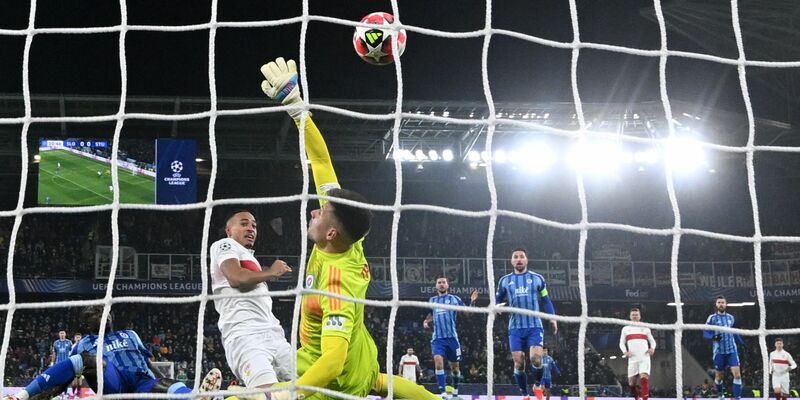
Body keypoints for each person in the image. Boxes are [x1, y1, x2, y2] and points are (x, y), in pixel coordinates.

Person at [259, 56, 440, 400]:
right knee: (378, 380)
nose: (315, 211)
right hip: (361, 354)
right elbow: (322, 162)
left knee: (250, 395)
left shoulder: (337, 284)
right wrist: (297, 109)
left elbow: (332, 361)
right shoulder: (349, 236)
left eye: (321, 212)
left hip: (339, 381)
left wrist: (291, 395)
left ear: (331, 233)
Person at [3, 306, 219, 400]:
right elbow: (65, 376)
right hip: (113, 387)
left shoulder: (130, 334)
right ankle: (20, 396)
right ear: (86, 323)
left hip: (141, 385)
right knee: (85, 360)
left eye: (104, 312)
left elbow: (149, 364)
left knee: (167, 383)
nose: (102, 314)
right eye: (95, 313)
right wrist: (40, 395)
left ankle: (195, 397)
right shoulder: (84, 343)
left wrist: (162, 385)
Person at [209, 209, 294, 391]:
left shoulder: (249, 258)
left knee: (306, 390)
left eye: (254, 225)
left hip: (274, 334)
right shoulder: (224, 245)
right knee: (266, 395)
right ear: (228, 230)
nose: (251, 228)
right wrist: (271, 272)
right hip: (245, 335)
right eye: (244, 223)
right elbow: (235, 277)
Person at [496, 247, 558, 399]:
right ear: (511, 261)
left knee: (536, 359)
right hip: (515, 328)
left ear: (526, 260)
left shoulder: (538, 279)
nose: (518, 259)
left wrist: (552, 317)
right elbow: (497, 301)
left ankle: (537, 384)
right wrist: (497, 307)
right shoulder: (504, 281)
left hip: (534, 326)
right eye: (515, 256)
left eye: (521, 256)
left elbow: (546, 300)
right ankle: (525, 394)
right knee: (519, 363)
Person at [423, 276, 478, 399]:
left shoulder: (454, 299)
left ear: (448, 285)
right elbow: (430, 316)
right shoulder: (432, 300)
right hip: (438, 339)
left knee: (455, 368)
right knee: (438, 362)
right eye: (439, 283)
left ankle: (455, 392)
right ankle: (443, 394)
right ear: (436, 286)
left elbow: (468, 313)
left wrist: (472, 301)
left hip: (452, 339)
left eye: (443, 282)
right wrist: (426, 322)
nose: (441, 284)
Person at [703, 295, 745, 400]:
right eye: (719, 302)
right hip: (719, 352)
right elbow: (705, 332)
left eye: (723, 302)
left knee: (737, 375)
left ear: (726, 304)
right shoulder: (712, 318)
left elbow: (733, 332)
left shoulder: (731, 318)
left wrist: (742, 342)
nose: (721, 304)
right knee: (719, 377)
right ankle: (721, 395)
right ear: (716, 304)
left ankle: (737, 397)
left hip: (732, 350)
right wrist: (713, 336)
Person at [619, 307, 656, 400]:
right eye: (633, 315)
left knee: (644, 378)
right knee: (631, 384)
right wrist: (625, 352)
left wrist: (652, 348)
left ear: (640, 316)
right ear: (630, 316)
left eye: (636, 315)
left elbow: (652, 341)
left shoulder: (645, 327)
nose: (635, 316)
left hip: (644, 357)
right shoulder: (625, 329)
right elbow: (621, 343)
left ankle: (645, 399)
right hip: (632, 358)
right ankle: (637, 398)